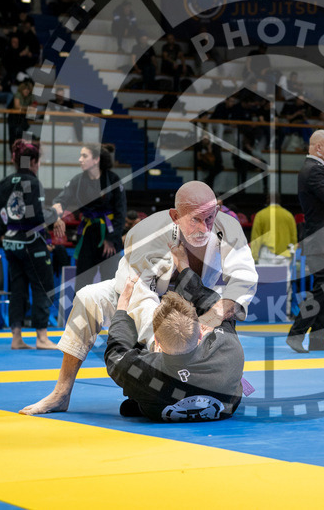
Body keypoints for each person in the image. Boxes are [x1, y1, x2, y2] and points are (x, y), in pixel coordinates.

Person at [19, 180, 257, 415]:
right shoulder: (146, 234)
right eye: (195, 219)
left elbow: (244, 278)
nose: (204, 228)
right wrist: (162, 345)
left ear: (216, 211)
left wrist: (211, 318)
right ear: (175, 216)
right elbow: (142, 297)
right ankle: (62, 392)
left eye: (209, 218)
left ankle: (212, 378)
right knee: (87, 298)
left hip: (193, 299)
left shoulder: (228, 228)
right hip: (132, 291)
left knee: (222, 309)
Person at [105, 240, 244, 422]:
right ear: (202, 334)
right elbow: (215, 305)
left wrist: (122, 310)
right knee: (216, 311)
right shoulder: (230, 351)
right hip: (225, 405)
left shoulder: (144, 373)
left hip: (156, 395)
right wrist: (184, 266)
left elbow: (115, 353)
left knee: (142, 304)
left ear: (157, 343)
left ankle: (135, 279)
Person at [0, 139, 58, 350]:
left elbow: (2, 216)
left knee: (18, 289)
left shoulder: (3, 184)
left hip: (11, 242)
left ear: (14, 159)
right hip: (31, 243)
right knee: (42, 286)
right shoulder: (32, 182)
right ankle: (41, 337)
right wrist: (55, 213)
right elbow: (36, 216)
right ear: (34, 162)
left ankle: (16, 337)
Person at [287, 130, 324, 353]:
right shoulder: (313, 171)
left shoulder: (317, 170)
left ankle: (317, 339)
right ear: (318, 147)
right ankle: (296, 333)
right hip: (321, 241)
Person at [51, 145, 126, 292]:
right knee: (82, 283)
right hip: (88, 235)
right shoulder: (77, 181)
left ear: (96, 159)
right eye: (80, 155)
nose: (80, 159)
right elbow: (60, 200)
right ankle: (81, 315)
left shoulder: (113, 180)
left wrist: (110, 239)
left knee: (110, 284)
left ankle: (112, 315)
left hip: (109, 234)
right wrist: (57, 215)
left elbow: (121, 213)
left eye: (84, 156)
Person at [249, 199, 298, 263]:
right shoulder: (289, 215)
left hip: (266, 255)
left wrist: (254, 256)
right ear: (279, 201)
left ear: (267, 201)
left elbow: (256, 238)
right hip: (284, 255)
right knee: (283, 273)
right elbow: (293, 238)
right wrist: (292, 254)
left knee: (265, 273)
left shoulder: (260, 215)